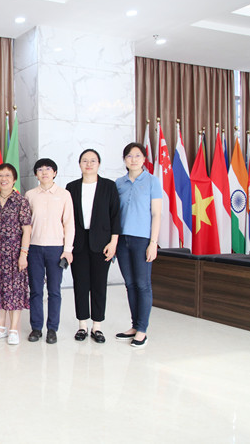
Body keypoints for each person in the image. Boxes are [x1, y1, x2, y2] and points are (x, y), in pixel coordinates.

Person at [66, 149, 121, 343]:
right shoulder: (71, 187)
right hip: (78, 244)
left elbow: (116, 216)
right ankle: (82, 325)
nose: (88, 164)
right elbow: (67, 218)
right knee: (80, 284)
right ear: (79, 164)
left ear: (99, 164)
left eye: (93, 161)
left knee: (99, 285)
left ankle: (97, 326)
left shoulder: (109, 186)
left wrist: (113, 242)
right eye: (85, 161)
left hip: (102, 244)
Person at [115, 142, 162, 349]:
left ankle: (142, 329)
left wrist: (153, 243)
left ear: (144, 159)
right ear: (124, 160)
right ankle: (134, 326)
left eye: (137, 155)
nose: (133, 159)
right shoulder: (119, 183)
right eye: (129, 156)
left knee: (143, 284)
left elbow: (156, 214)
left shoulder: (152, 181)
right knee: (130, 284)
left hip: (142, 240)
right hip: (122, 240)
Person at [25, 158, 75, 344]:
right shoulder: (30, 195)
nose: (44, 172)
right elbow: (25, 225)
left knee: (54, 291)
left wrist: (68, 250)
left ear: (55, 173)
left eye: (48, 169)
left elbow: (69, 223)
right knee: (35, 290)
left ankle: (52, 329)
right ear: (36, 174)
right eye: (40, 169)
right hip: (34, 248)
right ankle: (36, 327)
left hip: (56, 249)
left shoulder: (64, 195)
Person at [0, 163, 32, 345]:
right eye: (0, 175)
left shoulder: (21, 202)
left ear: (14, 179)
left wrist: (23, 254)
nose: (3, 179)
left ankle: (13, 330)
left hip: (15, 255)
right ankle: (1, 328)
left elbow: (27, 230)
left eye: (7, 175)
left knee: (15, 291)